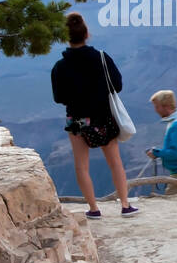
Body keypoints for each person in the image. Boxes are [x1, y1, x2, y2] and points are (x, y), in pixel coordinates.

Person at [51, 12, 139, 218]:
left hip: (76, 119)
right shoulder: (101, 57)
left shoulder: (60, 67)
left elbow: (58, 97)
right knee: (115, 162)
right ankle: (125, 205)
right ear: (86, 34)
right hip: (103, 117)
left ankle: (93, 208)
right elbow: (117, 85)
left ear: (67, 37)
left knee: (81, 166)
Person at [146, 90, 177, 194]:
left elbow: (176, 153)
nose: (156, 110)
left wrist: (156, 153)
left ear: (166, 106)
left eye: (157, 106)